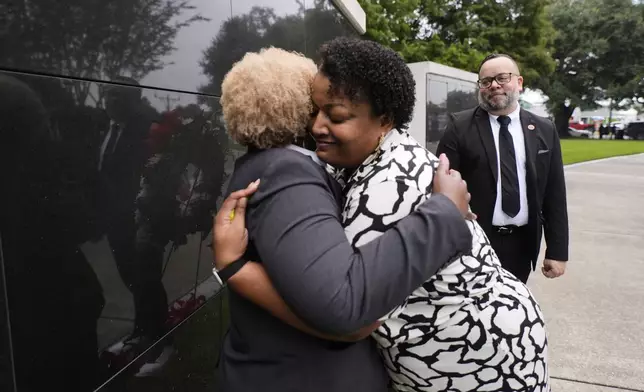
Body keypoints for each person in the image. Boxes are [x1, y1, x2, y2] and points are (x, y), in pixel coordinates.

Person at [214, 39, 549, 392]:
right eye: (315, 110)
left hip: (480, 362)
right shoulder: (352, 161)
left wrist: (235, 269)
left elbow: (352, 315)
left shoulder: (391, 180)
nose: (316, 126)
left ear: (384, 119)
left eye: (336, 115)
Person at [437, 53, 569, 283]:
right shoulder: (459, 127)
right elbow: (439, 185)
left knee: (511, 313)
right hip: (473, 244)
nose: (494, 85)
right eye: (486, 81)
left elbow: (554, 193)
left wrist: (557, 251)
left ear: (519, 82)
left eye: (502, 78)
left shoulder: (544, 129)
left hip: (521, 245)